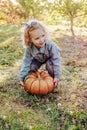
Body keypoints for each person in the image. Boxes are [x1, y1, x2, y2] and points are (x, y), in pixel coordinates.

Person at [20, 20, 62, 88]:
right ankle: (30, 81)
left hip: (50, 60)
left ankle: (53, 81)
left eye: (43, 36)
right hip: (37, 60)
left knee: (51, 65)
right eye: (37, 38)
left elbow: (56, 61)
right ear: (30, 40)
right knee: (31, 66)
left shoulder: (51, 46)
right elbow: (26, 62)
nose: (41, 40)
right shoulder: (29, 48)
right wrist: (22, 77)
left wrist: (57, 76)